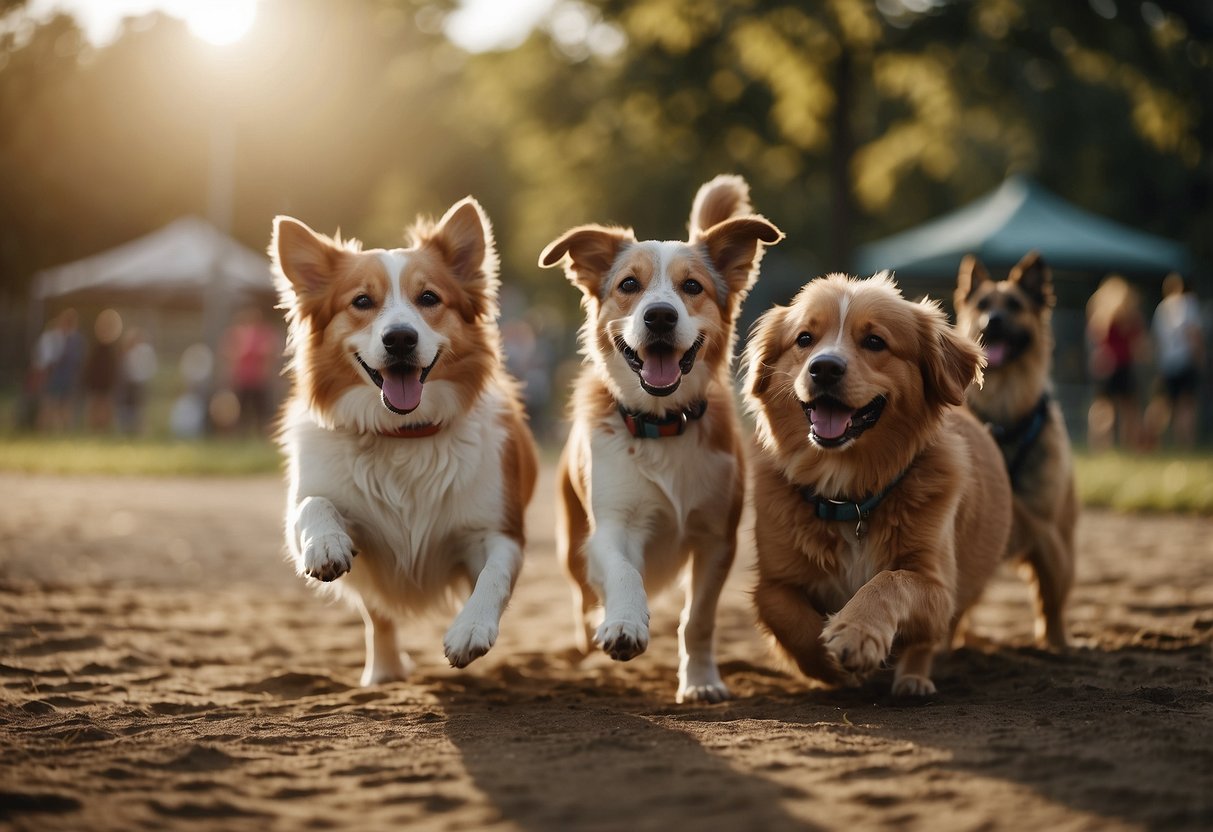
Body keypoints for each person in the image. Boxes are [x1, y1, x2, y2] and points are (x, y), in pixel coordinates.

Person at [1086, 275, 1146, 451]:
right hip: (1120, 365)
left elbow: (1096, 338)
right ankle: (1127, 445)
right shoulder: (1130, 316)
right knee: (1125, 409)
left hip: (1109, 366)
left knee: (1105, 409)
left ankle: (1101, 445)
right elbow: (1139, 344)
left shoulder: (1104, 314)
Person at [1146, 273, 1204, 449]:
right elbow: (1193, 334)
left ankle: (1152, 441)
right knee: (1186, 406)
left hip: (1167, 363)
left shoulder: (1162, 308)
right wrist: (1201, 359)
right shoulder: (1189, 304)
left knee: (1164, 405)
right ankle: (1185, 444)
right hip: (1185, 361)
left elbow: (1156, 340)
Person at [222, 306, 280, 435]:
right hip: (243, 379)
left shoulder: (265, 333)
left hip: (259, 380)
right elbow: (230, 354)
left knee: (262, 411)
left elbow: (271, 353)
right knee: (242, 411)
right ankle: (241, 434)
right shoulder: (238, 333)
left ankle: (261, 434)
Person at [34, 308, 85, 433]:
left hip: (68, 376)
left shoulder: (76, 339)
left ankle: (64, 432)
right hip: (52, 374)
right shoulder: (51, 337)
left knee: (66, 405)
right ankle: (44, 430)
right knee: (49, 403)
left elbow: (78, 360)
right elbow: (43, 359)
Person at [82, 309, 124, 432]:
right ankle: (94, 429)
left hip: (107, 383)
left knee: (106, 407)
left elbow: (115, 368)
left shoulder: (113, 349)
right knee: (95, 406)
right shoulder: (96, 347)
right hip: (96, 382)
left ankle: (104, 429)